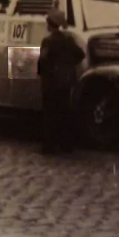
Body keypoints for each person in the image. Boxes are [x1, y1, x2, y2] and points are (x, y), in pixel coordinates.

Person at [37, 8, 85, 155]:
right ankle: (66, 146)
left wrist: (42, 72)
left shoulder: (48, 40)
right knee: (64, 113)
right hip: (66, 81)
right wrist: (68, 65)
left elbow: (43, 61)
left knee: (50, 114)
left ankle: (49, 147)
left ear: (50, 24)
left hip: (51, 81)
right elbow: (80, 54)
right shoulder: (68, 39)